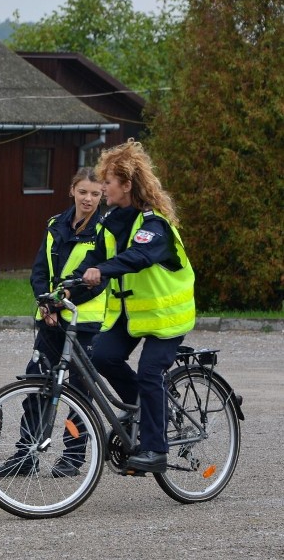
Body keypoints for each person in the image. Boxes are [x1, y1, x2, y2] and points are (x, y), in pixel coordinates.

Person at [77, 140, 195, 474]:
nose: (103, 188)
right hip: (132, 316)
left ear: (127, 185)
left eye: (108, 182)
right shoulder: (113, 220)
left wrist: (103, 270)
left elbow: (139, 257)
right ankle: (144, 410)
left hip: (168, 318)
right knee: (101, 356)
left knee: (149, 371)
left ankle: (156, 449)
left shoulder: (154, 223)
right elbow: (93, 262)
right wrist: (64, 293)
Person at [0, 167, 107, 478]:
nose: (88, 198)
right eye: (83, 191)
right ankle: (26, 454)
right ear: (72, 191)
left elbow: (95, 278)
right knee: (37, 385)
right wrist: (46, 304)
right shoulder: (55, 224)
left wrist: (61, 302)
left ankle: (73, 456)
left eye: (95, 194)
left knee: (79, 394)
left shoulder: (105, 231)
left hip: (84, 323)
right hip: (50, 321)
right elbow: (39, 270)